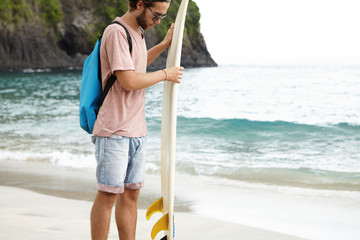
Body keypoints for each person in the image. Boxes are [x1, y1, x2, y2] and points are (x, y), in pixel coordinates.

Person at [90, 0, 183, 239]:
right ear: (140, 4)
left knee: (131, 195)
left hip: (136, 131)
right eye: (156, 15)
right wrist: (165, 74)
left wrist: (164, 45)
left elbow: (137, 67)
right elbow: (129, 81)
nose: (157, 21)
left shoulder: (138, 34)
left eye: (162, 17)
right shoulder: (116, 32)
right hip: (114, 130)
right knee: (108, 194)